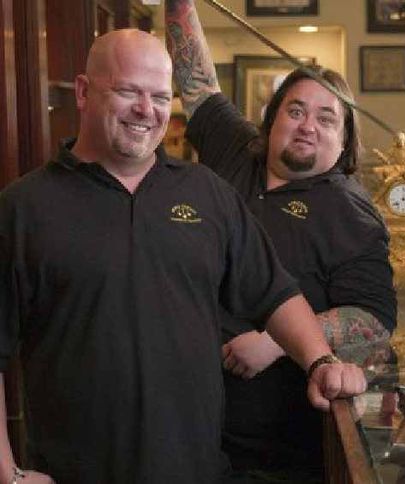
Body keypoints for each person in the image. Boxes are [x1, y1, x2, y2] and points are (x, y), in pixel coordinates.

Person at [0, 29, 366, 484]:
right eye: (128, 91)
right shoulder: (23, 208)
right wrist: (8, 473)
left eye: (159, 96)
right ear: (82, 92)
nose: (146, 110)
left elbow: (274, 293)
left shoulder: (206, 192)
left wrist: (320, 361)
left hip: (198, 471)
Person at [165, 1, 396, 481]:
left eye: (326, 118)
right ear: (272, 120)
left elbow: (373, 319)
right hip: (185, 423)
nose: (308, 125)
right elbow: (196, 81)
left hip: (279, 445)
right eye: (296, 110)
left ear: (344, 140)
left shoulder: (351, 212)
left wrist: (276, 340)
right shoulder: (239, 151)